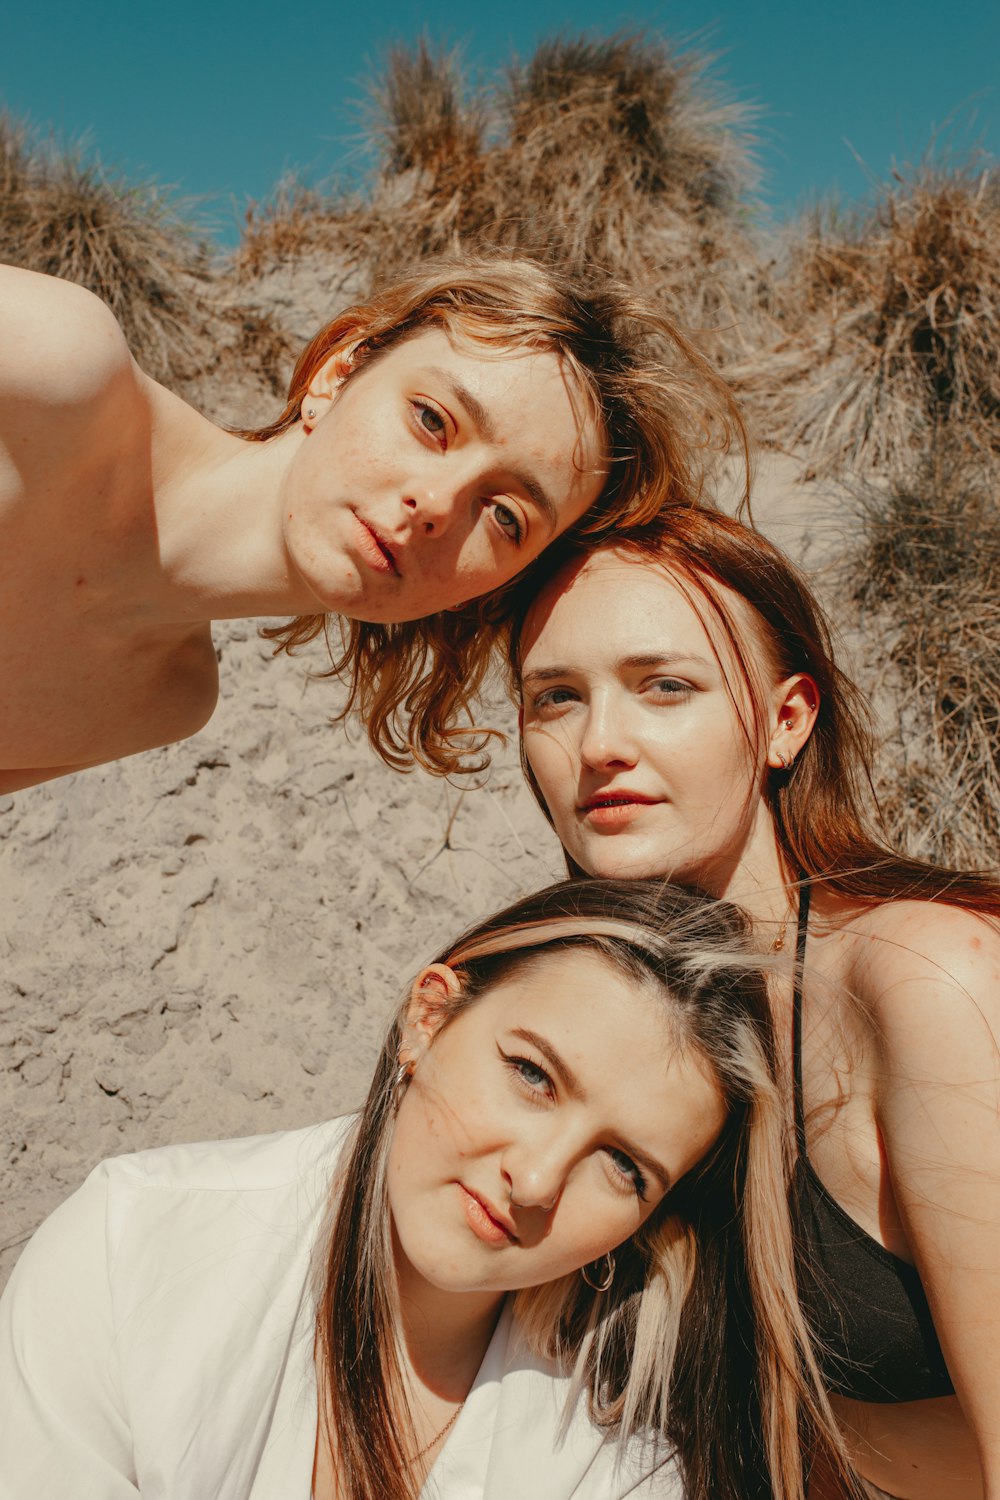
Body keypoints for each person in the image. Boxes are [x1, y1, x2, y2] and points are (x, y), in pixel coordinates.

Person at [0, 878, 851, 1500]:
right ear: (429, 1018)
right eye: (532, 1075)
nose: (537, 1178)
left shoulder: (617, 1456)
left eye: (625, 1167)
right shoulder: (133, 1251)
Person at [512, 507, 1000, 1500]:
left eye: (665, 687)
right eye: (555, 698)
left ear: (785, 721)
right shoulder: (635, 1021)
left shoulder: (920, 976)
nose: (601, 742)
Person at [0, 254, 746, 794]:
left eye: (506, 515)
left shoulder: (164, 704)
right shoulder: (53, 370)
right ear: (336, 372)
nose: (438, 505)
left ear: (489, 590)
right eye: (432, 420)